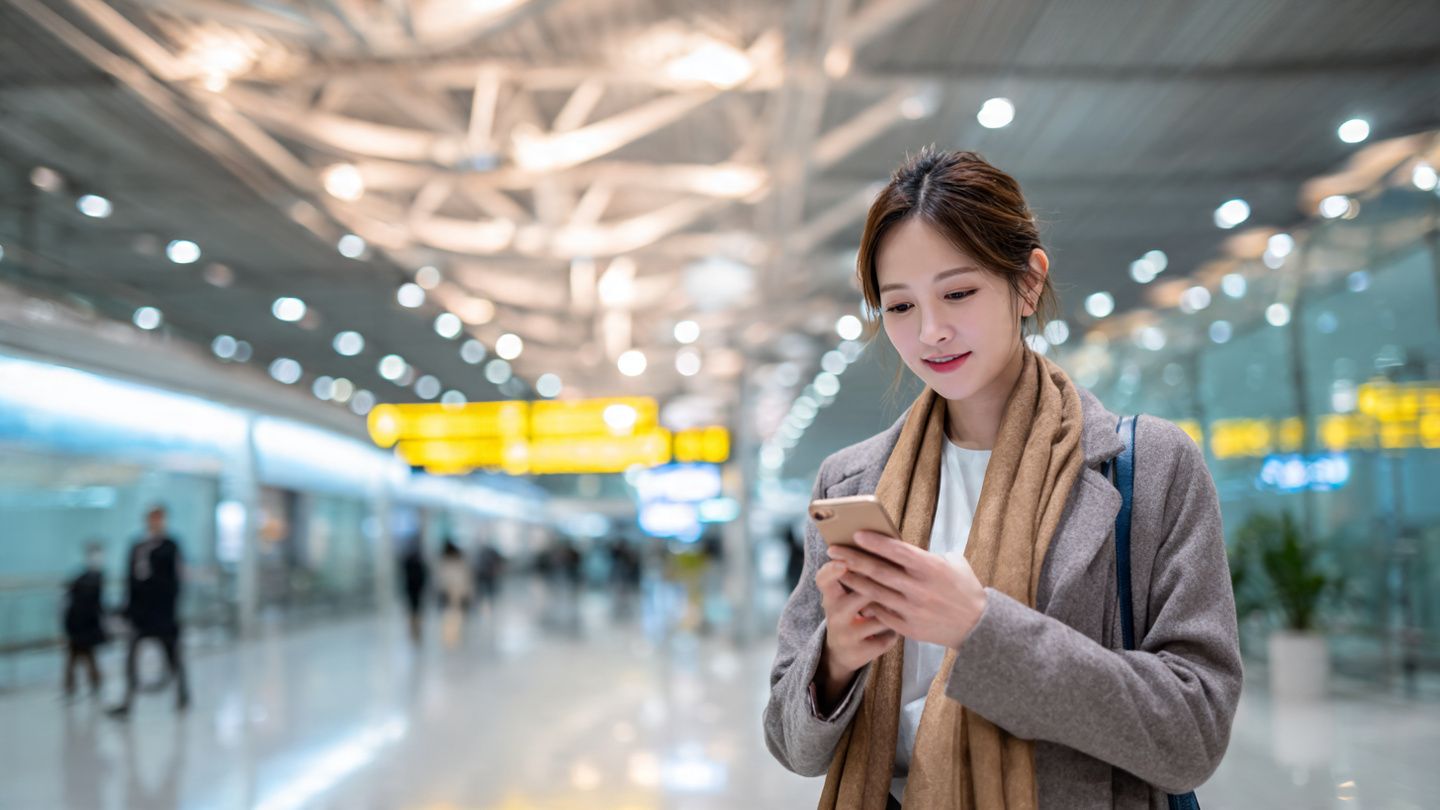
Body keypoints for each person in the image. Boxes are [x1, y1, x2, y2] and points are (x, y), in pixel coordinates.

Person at [762, 148, 1242, 809]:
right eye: (900, 308)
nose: (931, 332)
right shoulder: (850, 480)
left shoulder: (1149, 467)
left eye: (958, 293)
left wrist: (982, 628)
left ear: (1028, 281)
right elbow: (790, 745)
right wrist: (836, 659)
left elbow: (1194, 733)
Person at [109, 506, 189, 717]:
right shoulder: (137, 546)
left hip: (162, 614)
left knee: (172, 655)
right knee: (131, 658)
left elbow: (173, 582)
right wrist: (126, 609)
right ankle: (127, 701)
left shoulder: (170, 546)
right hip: (140, 615)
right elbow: (130, 580)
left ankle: (182, 695)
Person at [62, 542, 108, 699]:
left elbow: (96, 603)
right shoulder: (85, 578)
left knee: (81, 655)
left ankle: (77, 687)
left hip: (85, 625)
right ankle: (77, 687)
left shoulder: (94, 577)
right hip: (78, 624)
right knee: (78, 656)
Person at [436, 540, 473, 647]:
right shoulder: (445, 563)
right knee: (451, 615)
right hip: (450, 592)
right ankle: (451, 636)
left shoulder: (458, 563)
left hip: (458, 592)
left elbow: (467, 579)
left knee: (456, 614)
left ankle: (455, 635)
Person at [401, 539, 428, 643]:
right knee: (415, 608)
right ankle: (415, 625)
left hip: (413, 588)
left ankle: (415, 625)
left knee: (414, 608)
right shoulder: (417, 561)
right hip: (414, 588)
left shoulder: (409, 561)